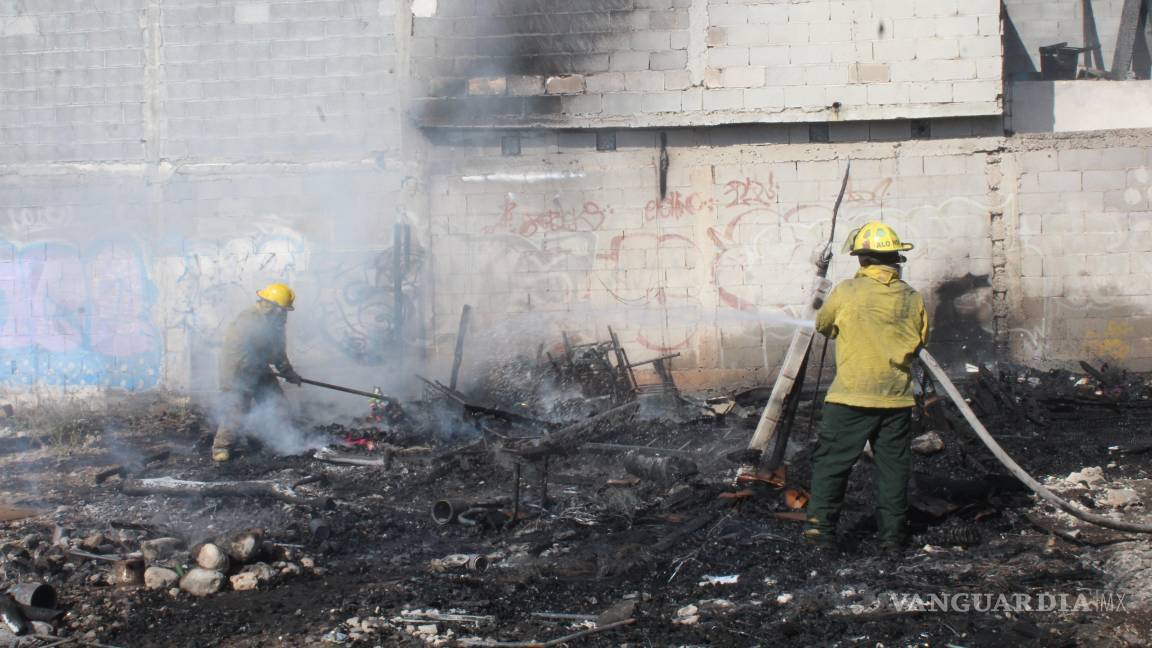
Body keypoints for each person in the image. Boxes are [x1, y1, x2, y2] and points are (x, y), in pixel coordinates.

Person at [803, 221, 929, 553]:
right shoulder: (912, 298)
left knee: (831, 465)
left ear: (862, 259)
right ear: (896, 258)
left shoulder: (847, 291)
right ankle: (892, 538)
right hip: (896, 399)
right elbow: (920, 340)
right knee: (894, 470)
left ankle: (819, 534)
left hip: (850, 398)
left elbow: (823, 325)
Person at [211, 283, 303, 462]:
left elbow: (276, 351)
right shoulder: (251, 321)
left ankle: (283, 440)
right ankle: (221, 448)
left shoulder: (271, 321)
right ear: (273, 307)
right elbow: (273, 353)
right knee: (236, 408)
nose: (284, 315)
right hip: (238, 369)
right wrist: (287, 372)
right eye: (283, 310)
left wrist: (287, 372)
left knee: (276, 402)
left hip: (258, 367)